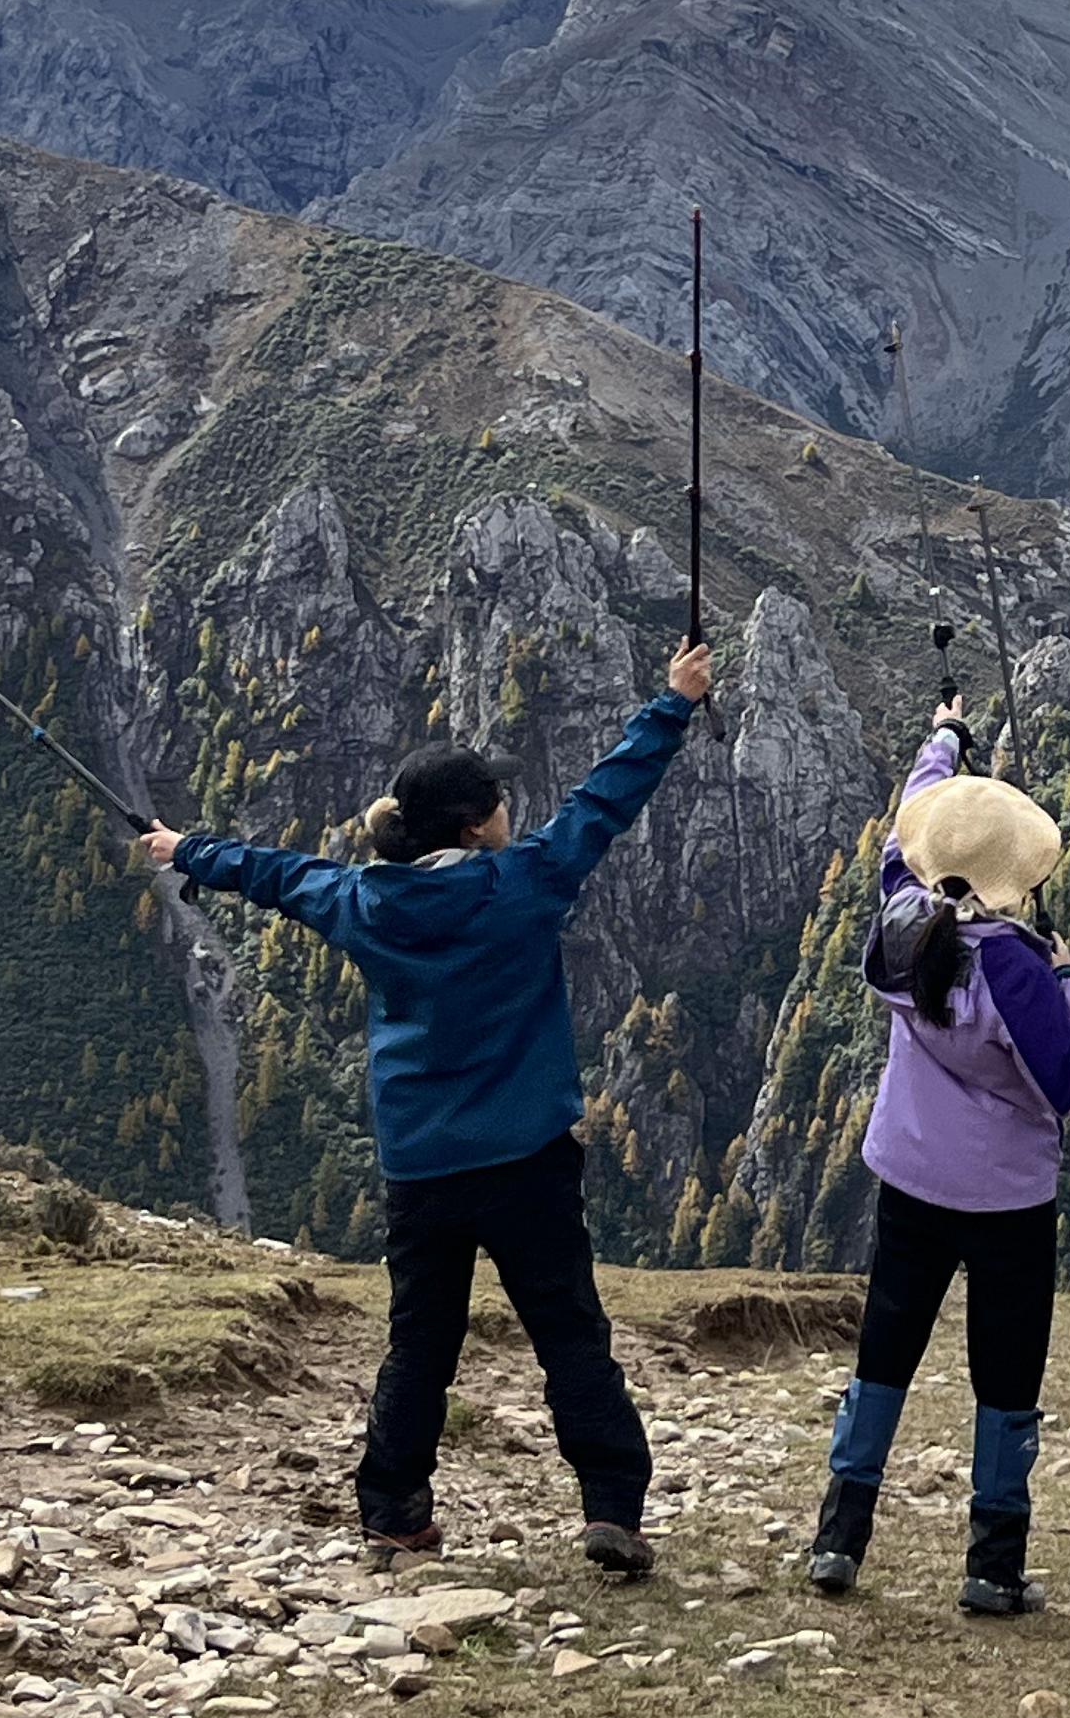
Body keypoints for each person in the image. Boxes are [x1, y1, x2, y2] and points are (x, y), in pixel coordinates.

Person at [140, 636, 714, 1580]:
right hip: (527, 1159)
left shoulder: (366, 900)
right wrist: (674, 700)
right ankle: (612, 1507)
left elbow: (276, 873)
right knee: (569, 1331)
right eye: (499, 803)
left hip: (423, 1166)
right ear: (485, 820)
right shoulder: (524, 882)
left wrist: (183, 850)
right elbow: (606, 801)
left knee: (421, 1343)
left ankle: (395, 1511)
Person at [804, 699, 1070, 1615]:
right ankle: (992, 1563)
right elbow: (1067, 1081)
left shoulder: (902, 922)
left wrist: (942, 737)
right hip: (1006, 1197)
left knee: (885, 1349)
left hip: (912, 1175)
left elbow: (911, 824)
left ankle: (839, 1538)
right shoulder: (1015, 968)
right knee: (1005, 1370)